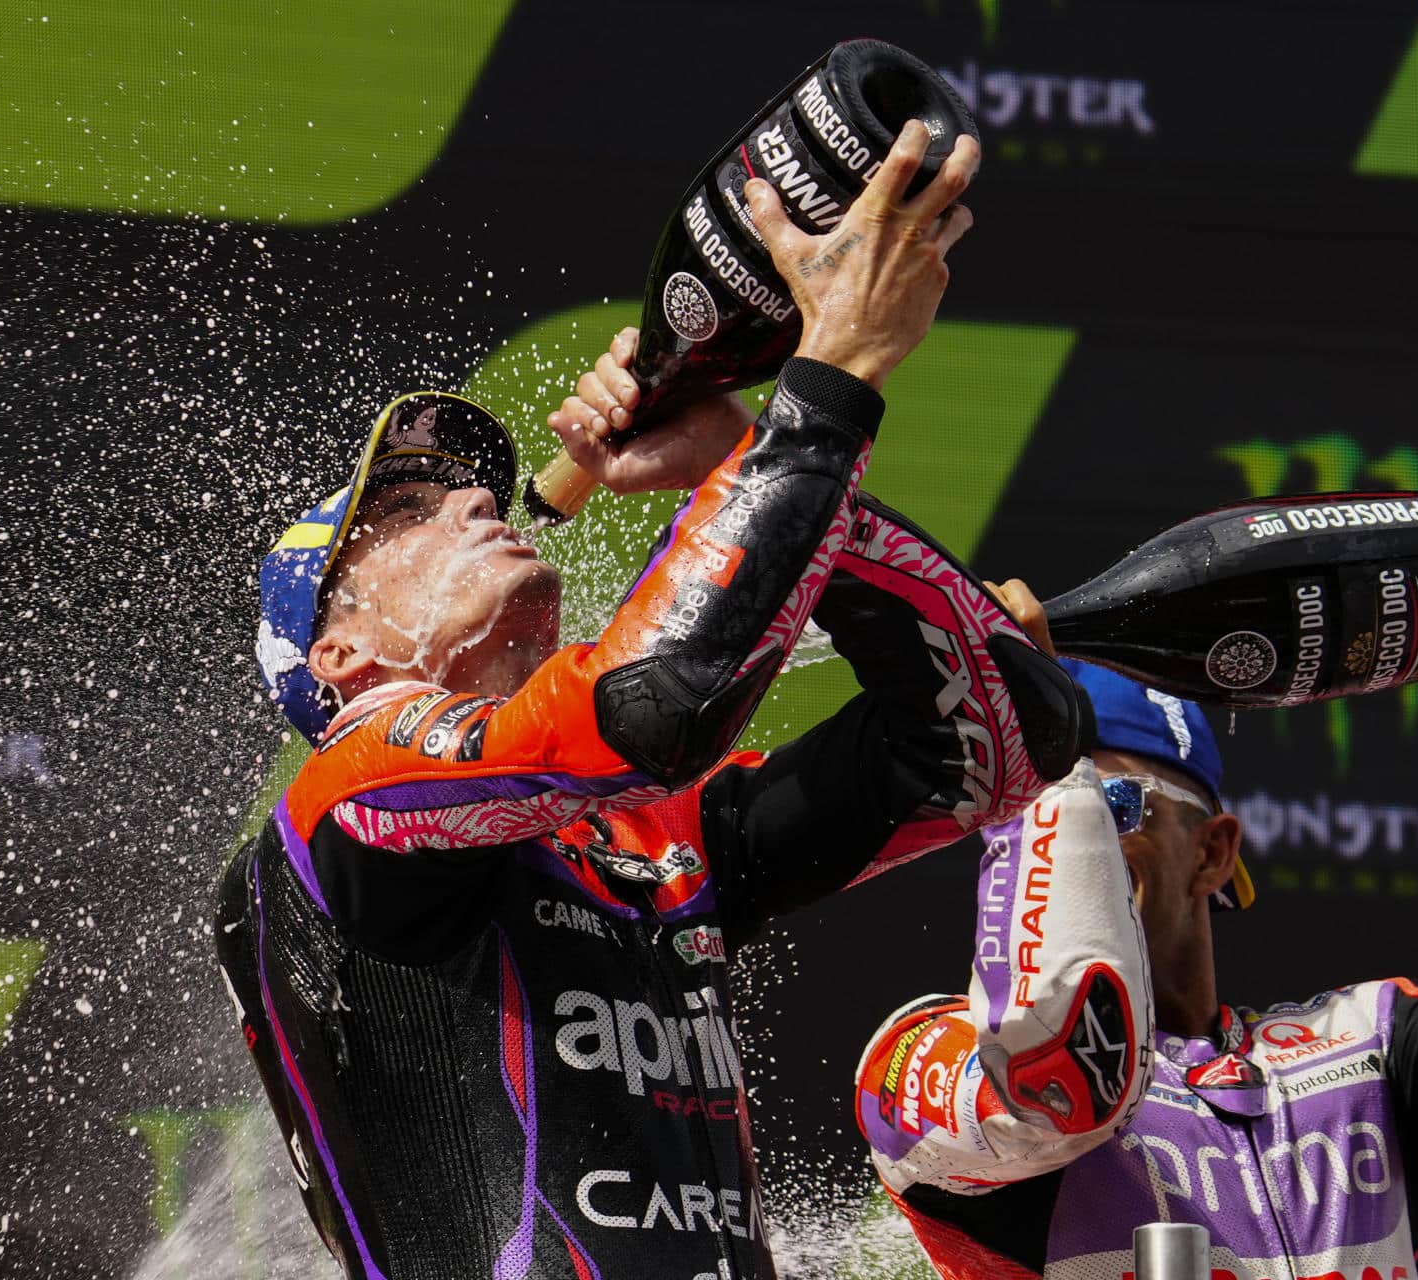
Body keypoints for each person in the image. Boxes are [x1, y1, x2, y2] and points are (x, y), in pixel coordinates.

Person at [217, 122, 1095, 1280]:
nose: (476, 505)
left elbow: (1003, 741)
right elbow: (646, 710)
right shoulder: (352, 799)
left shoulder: (646, 837)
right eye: (406, 514)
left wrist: (736, 453)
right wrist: (827, 389)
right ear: (336, 657)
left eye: (474, 489)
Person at [856, 482, 1418, 1279]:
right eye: (1046, 805)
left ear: (1214, 851)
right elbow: (1066, 1075)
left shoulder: (1367, 1053)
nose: (1080, 838)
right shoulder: (928, 1056)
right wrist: (1050, 762)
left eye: (1115, 801)